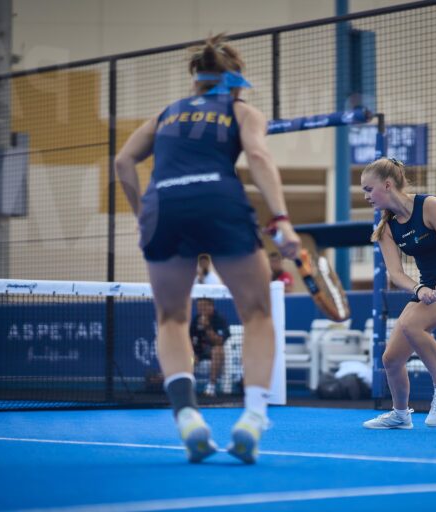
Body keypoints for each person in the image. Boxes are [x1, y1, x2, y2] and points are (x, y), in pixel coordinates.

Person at [114, 33, 301, 464]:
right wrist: (282, 219)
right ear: (235, 82)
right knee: (257, 314)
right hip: (219, 199)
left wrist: (143, 213)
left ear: (195, 79)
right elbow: (258, 156)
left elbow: (123, 162)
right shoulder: (241, 110)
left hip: (163, 206)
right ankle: (253, 417)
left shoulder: (165, 114)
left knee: (171, 317)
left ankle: (187, 417)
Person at [359, 157, 436, 430]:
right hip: (428, 290)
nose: (366, 196)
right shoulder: (386, 228)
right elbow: (395, 274)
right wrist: (420, 289)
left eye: (369, 189)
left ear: (387, 185)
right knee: (391, 359)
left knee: (412, 324)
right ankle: (400, 415)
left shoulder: (430, 206)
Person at [190, 298, 230, 397]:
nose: (200, 309)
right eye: (199, 307)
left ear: (211, 306)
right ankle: (187, 388)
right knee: (188, 357)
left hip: (216, 359)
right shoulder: (195, 320)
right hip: (199, 356)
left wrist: (207, 327)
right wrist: (192, 354)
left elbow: (219, 342)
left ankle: (211, 387)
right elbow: (189, 340)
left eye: (203, 306)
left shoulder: (219, 319)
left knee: (217, 350)